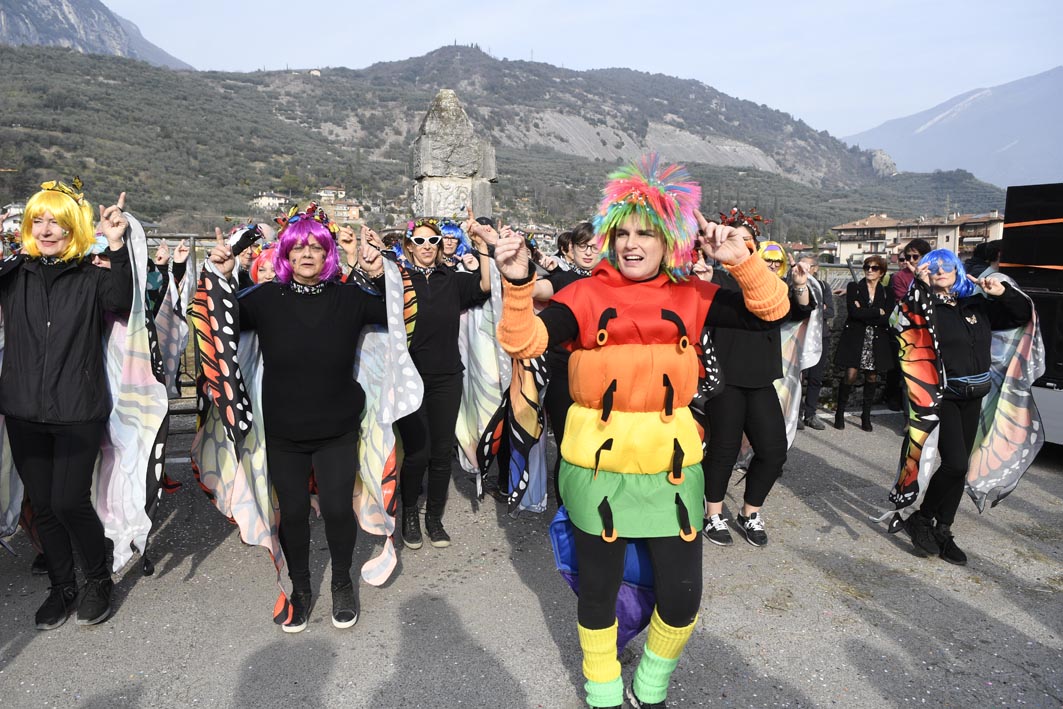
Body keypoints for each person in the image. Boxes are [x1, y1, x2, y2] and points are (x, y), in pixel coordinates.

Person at [494, 155, 790, 709]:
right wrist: (516, 284)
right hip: (595, 467)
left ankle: (652, 677)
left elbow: (770, 312)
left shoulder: (694, 295)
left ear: (669, 241)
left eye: (646, 234)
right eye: (622, 232)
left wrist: (742, 262)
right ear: (608, 238)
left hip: (669, 468)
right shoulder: (580, 296)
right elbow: (524, 341)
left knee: (681, 598)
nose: (632, 244)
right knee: (599, 591)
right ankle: (602, 684)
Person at [205, 204, 388, 632]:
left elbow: (395, 316)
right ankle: (302, 588)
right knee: (292, 513)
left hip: (338, 429)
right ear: (285, 255)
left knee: (340, 509)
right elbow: (221, 321)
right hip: (284, 432)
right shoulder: (266, 298)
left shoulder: (349, 298)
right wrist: (223, 274)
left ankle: (341, 581)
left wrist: (377, 273)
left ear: (328, 255)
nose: (307, 254)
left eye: (316, 248)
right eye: (298, 247)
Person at [1, 182, 131, 630]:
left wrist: (115, 245)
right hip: (22, 408)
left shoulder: (92, 273)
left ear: (72, 225)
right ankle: (62, 587)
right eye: (38, 219)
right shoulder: (15, 273)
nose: (46, 228)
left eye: (55, 219)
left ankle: (98, 579)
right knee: (42, 503)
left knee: (68, 499)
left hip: (78, 407)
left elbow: (124, 302)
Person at [899, 249, 1031, 564]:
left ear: (958, 269)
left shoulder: (976, 304)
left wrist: (1004, 293)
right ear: (925, 273)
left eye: (947, 264)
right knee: (955, 463)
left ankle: (943, 529)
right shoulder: (925, 306)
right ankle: (922, 516)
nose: (941, 269)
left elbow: (1021, 315)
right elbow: (905, 321)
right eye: (933, 266)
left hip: (975, 395)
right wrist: (918, 288)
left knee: (961, 468)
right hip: (943, 396)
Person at [702, 234, 813, 548]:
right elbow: (705, 282)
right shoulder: (724, 278)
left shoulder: (774, 288)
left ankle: (749, 512)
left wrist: (800, 284)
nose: (770, 264)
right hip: (726, 378)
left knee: (774, 450)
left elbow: (799, 312)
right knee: (724, 449)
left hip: (762, 379)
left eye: (751, 239)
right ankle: (712, 514)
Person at [393, 217, 491, 550]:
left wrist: (483, 246)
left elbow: (486, 286)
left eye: (432, 241)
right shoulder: (399, 280)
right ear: (409, 246)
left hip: (447, 376)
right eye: (419, 242)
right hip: (409, 379)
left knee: (439, 453)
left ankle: (434, 518)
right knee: (417, 453)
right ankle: (409, 514)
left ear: (439, 245)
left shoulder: (453, 279)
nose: (426, 247)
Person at [533, 221, 599, 505]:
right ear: (570, 249)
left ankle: (593, 501)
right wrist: (517, 278)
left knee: (598, 442)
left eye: (595, 247)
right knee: (567, 444)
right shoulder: (562, 279)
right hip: (563, 372)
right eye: (583, 246)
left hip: (601, 373)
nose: (588, 252)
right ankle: (566, 507)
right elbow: (537, 289)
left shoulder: (613, 282)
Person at [833, 254, 894, 431]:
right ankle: (839, 412)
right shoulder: (854, 287)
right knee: (850, 375)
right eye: (867, 267)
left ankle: (865, 416)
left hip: (875, 340)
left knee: (872, 376)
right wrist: (877, 312)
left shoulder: (887, 292)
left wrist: (866, 312)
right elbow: (853, 313)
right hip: (856, 338)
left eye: (874, 268)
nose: (869, 270)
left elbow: (887, 318)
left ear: (881, 272)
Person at [797, 255, 834, 430]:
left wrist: (813, 311)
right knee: (798, 377)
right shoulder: (796, 284)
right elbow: (798, 310)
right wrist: (818, 309)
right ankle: (795, 413)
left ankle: (810, 414)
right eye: (801, 263)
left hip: (820, 336)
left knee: (815, 378)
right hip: (800, 337)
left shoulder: (823, 287)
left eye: (808, 265)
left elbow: (830, 311)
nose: (804, 267)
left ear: (815, 268)